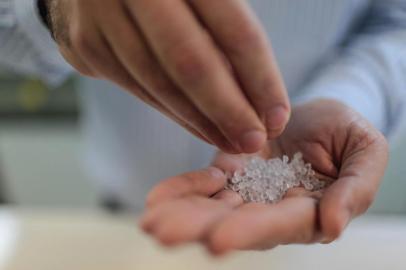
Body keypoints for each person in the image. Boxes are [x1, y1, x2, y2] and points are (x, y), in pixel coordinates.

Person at [1, 0, 405, 254]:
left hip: (318, 240)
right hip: (126, 225)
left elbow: (397, 21)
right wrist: (51, 10)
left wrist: (349, 99)